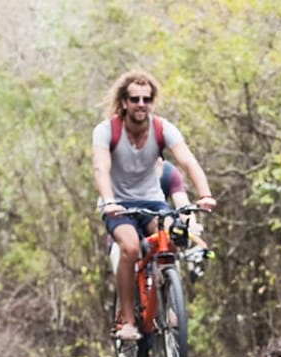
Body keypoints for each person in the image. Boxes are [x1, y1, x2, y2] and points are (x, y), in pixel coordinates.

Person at [92, 70, 216, 341]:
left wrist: (205, 194)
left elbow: (188, 161)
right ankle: (127, 320)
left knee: (170, 238)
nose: (141, 104)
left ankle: (164, 301)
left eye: (146, 99)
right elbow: (101, 168)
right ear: (124, 102)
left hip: (152, 201)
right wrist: (109, 200)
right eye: (135, 99)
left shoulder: (163, 129)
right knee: (130, 247)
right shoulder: (106, 131)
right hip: (119, 204)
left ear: (152, 102)